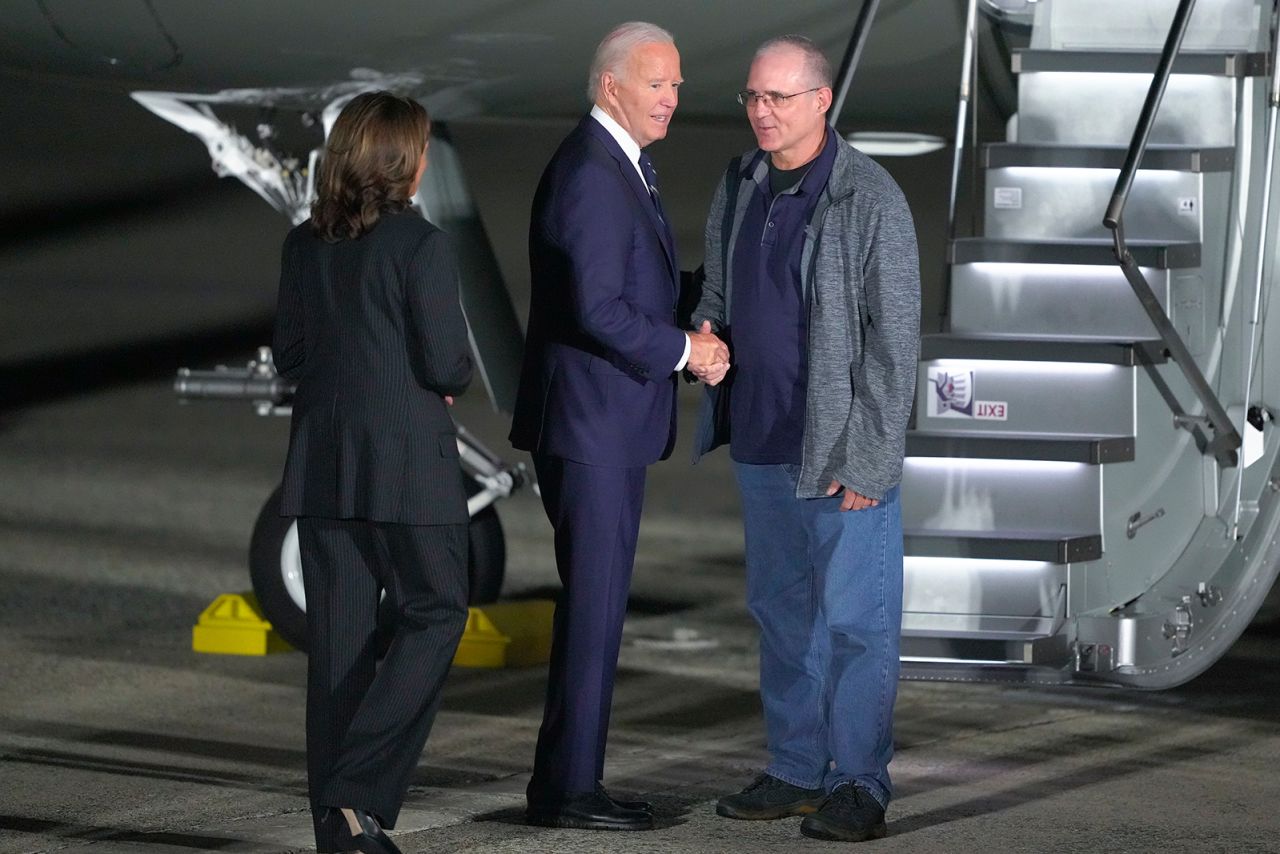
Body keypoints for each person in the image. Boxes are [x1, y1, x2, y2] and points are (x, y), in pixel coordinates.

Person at [692, 36, 920, 843]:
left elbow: (895, 345)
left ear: (822, 102)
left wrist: (871, 458)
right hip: (762, 439)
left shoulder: (869, 198)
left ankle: (860, 783)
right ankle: (796, 770)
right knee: (784, 618)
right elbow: (719, 286)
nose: (760, 112)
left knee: (859, 624)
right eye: (752, 97)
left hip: (837, 454)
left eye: (777, 98)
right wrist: (705, 335)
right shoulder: (742, 180)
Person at [509, 21, 729, 832]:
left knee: (597, 609)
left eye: (676, 85)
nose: (673, 99)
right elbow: (597, 309)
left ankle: (569, 783)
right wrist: (686, 352)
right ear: (612, 88)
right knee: (595, 611)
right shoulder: (592, 176)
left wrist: (711, 296)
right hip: (592, 427)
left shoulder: (616, 165)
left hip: (602, 422)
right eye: (658, 85)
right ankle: (568, 793)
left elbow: (631, 285)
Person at [272, 91, 473, 854]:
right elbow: (446, 361)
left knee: (341, 647)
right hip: (408, 468)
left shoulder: (303, 243)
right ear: (404, 162)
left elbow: (292, 356)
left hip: (323, 464)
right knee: (438, 612)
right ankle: (359, 792)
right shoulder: (419, 246)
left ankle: (339, 832)